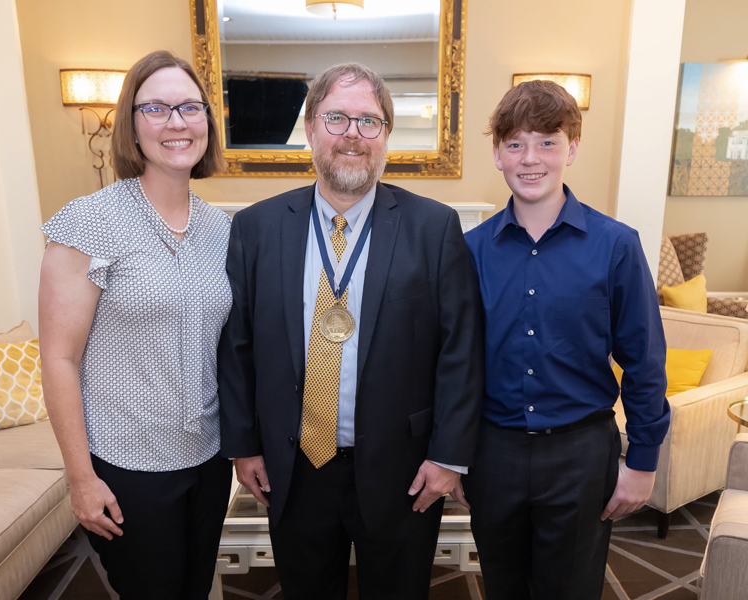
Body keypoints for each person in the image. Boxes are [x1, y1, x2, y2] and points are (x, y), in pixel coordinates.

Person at [218, 62, 483, 600]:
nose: (352, 136)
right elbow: (237, 345)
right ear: (311, 128)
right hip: (294, 467)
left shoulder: (434, 227)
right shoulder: (255, 228)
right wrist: (244, 447)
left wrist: (448, 457)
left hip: (404, 469)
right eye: (337, 118)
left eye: (369, 121)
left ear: (386, 135)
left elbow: (462, 349)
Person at [463, 79, 671, 600]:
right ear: (497, 154)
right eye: (515, 144)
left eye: (547, 142)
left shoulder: (617, 246)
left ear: (572, 148)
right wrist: (452, 457)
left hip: (581, 455)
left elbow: (644, 360)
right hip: (493, 454)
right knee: (502, 588)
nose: (530, 158)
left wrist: (643, 461)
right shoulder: (468, 251)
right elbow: (453, 364)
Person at [38, 50, 232, 600]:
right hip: (127, 464)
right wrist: (81, 477)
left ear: (207, 123)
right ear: (130, 122)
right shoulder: (89, 220)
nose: (176, 123)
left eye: (190, 108)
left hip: (209, 458)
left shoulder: (222, 230)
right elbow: (58, 357)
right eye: (157, 109)